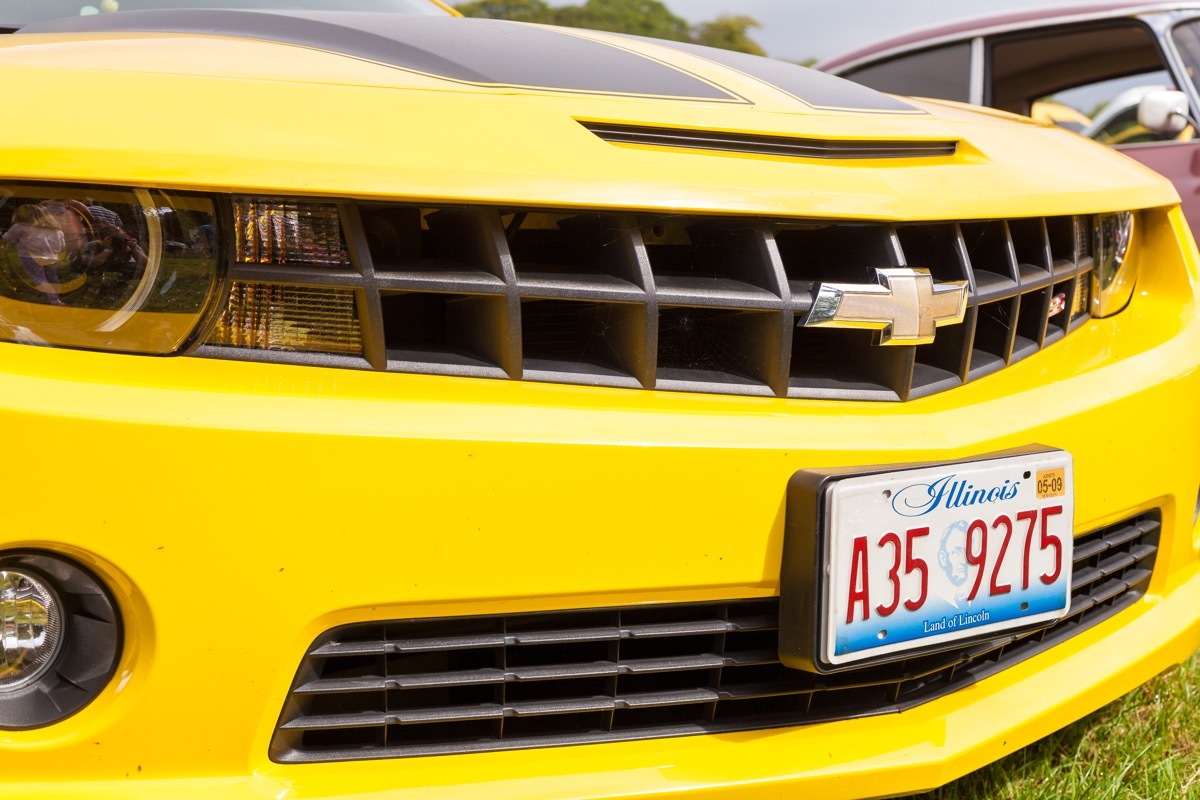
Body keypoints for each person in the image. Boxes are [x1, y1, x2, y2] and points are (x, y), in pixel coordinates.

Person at [2, 204, 67, 305]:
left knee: (39, 278)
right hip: (51, 258)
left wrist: (4, 235)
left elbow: (9, 239)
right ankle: (57, 294)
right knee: (52, 276)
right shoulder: (56, 230)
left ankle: (53, 299)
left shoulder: (20, 227)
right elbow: (61, 245)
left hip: (31, 257)